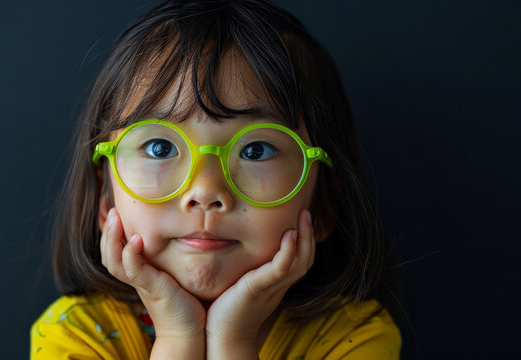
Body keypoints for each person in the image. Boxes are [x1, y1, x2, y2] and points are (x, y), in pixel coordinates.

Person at [31, 0, 402, 358]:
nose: (206, 191)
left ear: (322, 206)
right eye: (160, 148)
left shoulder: (354, 338)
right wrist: (179, 339)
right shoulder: (74, 336)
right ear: (106, 199)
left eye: (255, 150)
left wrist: (232, 341)